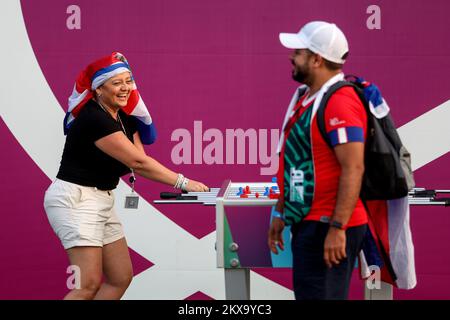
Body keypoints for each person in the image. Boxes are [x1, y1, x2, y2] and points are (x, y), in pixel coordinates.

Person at [44, 52, 209, 300]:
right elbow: (138, 162)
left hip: (102, 199)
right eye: (117, 82)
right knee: (86, 285)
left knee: (120, 277)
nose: (125, 88)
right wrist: (184, 183)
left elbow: (135, 158)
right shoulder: (93, 118)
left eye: (128, 81)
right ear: (98, 89)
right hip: (75, 200)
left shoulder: (123, 117)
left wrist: (135, 121)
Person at [268, 21, 368, 300]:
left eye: (298, 51)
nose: (291, 56)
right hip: (308, 221)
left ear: (316, 59)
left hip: (330, 226)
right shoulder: (306, 98)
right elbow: (295, 163)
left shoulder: (340, 101)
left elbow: (354, 167)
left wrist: (338, 228)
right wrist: (281, 211)